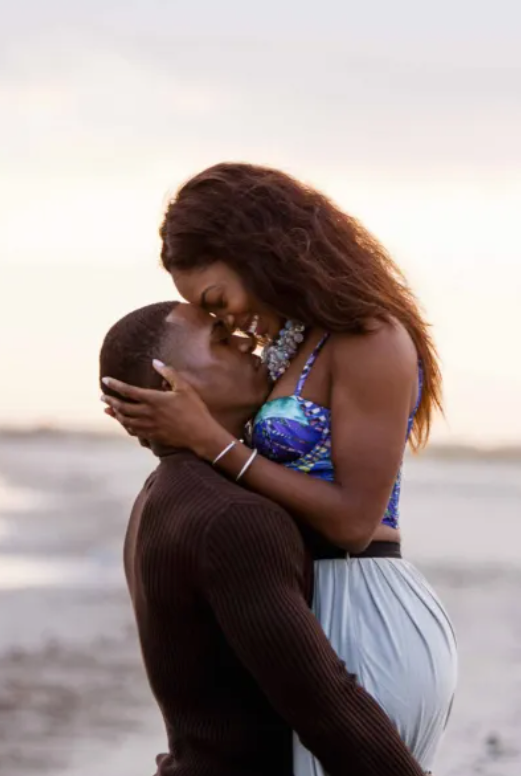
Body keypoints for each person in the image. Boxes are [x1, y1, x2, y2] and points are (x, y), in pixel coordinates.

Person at [101, 163, 457, 775]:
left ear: (260, 253)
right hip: (308, 601)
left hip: (362, 600)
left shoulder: (369, 338)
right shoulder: (293, 343)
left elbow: (351, 523)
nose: (232, 326)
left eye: (218, 303)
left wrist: (211, 441)